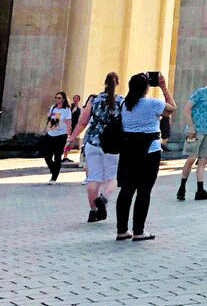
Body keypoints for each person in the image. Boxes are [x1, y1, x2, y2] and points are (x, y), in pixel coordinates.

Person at [116, 72, 176, 241]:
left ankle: (121, 230)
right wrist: (164, 87)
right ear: (147, 88)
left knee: (126, 190)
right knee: (144, 191)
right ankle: (138, 231)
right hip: (149, 149)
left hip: (128, 150)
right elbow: (172, 108)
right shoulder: (152, 103)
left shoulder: (124, 104)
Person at [66, 71, 121, 222]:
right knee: (112, 177)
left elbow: (82, 122)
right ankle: (103, 199)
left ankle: (92, 211)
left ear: (105, 83)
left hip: (93, 142)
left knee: (93, 178)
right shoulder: (121, 101)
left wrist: (71, 139)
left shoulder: (94, 100)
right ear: (118, 84)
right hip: (113, 144)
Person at [177, 70, 207, 201]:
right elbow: (187, 108)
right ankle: (182, 187)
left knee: (204, 159)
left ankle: (200, 190)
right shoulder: (200, 93)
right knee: (191, 158)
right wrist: (191, 126)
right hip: (196, 130)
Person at [41, 91, 72, 182]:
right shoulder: (52, 108)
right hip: (51, 133)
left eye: (59, 98)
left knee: (58, 156)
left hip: (61, 135)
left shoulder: (66, 110)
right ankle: (53, 170)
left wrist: (69, 135)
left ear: (63, 99)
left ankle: (54, 177)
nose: (57, 99)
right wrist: (46, 128)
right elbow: (49, 119)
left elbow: (68, 122)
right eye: (56, 98)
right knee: (47, 155)